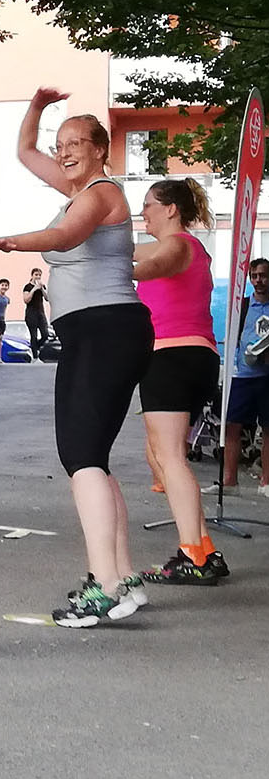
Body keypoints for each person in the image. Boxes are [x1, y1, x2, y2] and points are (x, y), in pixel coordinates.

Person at [0, 88, 154, 626]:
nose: (65, 151)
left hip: (105, 330)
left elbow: (64, 236)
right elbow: (25, 152)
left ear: (101, 149)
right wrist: (36, 106)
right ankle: (123, 579)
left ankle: (104, 587)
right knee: (92, 458)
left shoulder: (100, 193)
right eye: (62, 144)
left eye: (77, 142)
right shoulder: (77, 189)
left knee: (81, 457)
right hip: (102, 332)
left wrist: (11, 242)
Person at [131, 178, 230, 583]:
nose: (142, 212)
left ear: (171, 209)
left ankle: (194, 556)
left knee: (170, 457)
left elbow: (155, 264)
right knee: (160, 455)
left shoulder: (179, 245)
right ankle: (204, 549)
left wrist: (120, 272)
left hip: (172, 355)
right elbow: (127, 251)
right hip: (192, 355)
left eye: (148, 205)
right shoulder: (188, 248)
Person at [223, 257, 269, 496]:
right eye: (254, 276)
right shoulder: (242, 306)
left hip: (266, 377)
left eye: (263, 276)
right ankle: (229, 481)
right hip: (242, 375)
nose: (258, 281)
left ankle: (266, 482)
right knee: (232, 426)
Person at [21, 267, 50, 359]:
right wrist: (34, 289)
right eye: (36, 275)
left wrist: (41, 289)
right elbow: (26, 300)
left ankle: (35, 347)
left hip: (41, 313)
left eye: (39, 275)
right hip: (31, 314)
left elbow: (47, 298)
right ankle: (35, 356)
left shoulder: (42, 286)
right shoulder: (27, 287)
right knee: (34, 335)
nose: (38, 277)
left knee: (45, 334)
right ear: (32, 276)